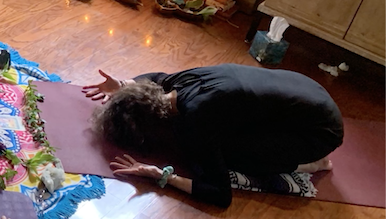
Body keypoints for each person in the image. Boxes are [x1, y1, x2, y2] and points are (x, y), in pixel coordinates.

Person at [83, 64, 344, 208]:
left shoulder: (196, 121)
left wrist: (163, 176)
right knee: (234, 122)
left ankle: (310, 163)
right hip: (309, 90)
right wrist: (124, 85)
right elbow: (153, 77)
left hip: (318, 133)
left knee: (232, 154)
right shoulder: (178, 83)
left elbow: (220, 194)